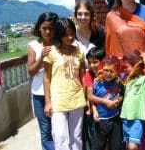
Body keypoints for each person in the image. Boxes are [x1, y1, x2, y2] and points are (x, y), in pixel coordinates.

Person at [43, 17, 86, 150]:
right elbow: (46, 78)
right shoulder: (51, 52)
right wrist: (48, 102)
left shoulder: (79, 51)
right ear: (59, 35)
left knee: (76, 137)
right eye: (66, 35)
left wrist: (85, 96)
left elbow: (82, 75)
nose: (70, 37)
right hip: (58, 100)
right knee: (60, 136)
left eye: (72, 34)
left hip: (77, 99)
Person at [27, 12, 58, 150]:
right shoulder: (33, 46)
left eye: (51, 28)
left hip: (58, 93)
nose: (47, 31)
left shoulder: (60, 43)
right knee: (46, 131)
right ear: (39, 28)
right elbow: (31, 71)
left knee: (60, 129)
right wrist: (41, 57)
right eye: (44, 28)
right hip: (39, 95)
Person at [88, 55, 124, 150]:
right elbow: (92, 99)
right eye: (106, 71)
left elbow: (121, 95)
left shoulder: (118, 82)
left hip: (115, 119)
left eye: (112, 71)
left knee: (116, 146)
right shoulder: (97, 82)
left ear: (116, 72)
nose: (108, 74)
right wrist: (95, 111)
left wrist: (118, 100)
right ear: (101, 70)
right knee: (97, 146)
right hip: (100, 120)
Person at [120, 50, 145, 150]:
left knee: (132, 147)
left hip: (137, 118)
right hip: (125, 117)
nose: (125, 69)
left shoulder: (144, 80)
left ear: (136, 66)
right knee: (128, 146)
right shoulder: (127, 80)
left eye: (127, 67)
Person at [82, 47, 106, 150]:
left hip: (110, 113)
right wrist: (94, 110)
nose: (92, 66)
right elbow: (90, 96)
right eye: (89, 62)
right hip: (96, 111)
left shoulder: (110, 72)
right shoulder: (89, 75)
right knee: (97, 139)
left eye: (95, 62)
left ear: (103, 61)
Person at [73, 0, 105, 67]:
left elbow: (104, 55)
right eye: (79, 14)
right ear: (75, 15)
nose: (83, 17)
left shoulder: (99, 32)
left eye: (86, 14)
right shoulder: (71, 34)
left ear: (91, 16)